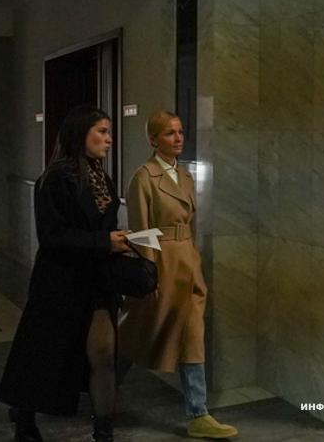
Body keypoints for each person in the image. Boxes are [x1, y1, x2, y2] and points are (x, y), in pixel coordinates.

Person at [0, 106, 131, 442]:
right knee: (44, 354)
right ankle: (25, 419)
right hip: (60, 281)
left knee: (104, 354)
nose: (109, 139)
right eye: (102, 131)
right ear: (80, 134)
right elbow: (52, 236)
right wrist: (104, 242)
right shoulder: (55, 178)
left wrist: (119, 240)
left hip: (97, 281)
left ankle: (104, 432)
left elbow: (104, 225)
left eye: (109, 132)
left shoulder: (102, 177)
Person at [120, 110, 238, 439]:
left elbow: (190, 225)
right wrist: (149, 273)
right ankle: (100, 382)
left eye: (181, 132)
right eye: (170, 133)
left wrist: (194, 259)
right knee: (138, 331)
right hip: (162, 265)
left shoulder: (184, 176)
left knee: (192, 337)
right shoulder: (144, 177)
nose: (178, 138)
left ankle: (198, 413)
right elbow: (141, 231)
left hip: (188, 265)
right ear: (153, 139)